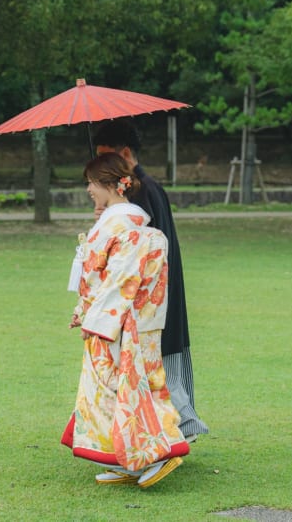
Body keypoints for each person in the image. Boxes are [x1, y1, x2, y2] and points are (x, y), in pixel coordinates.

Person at [61, 152, 189, 488]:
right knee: (115, 391)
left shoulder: (125, 227)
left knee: (131, 388)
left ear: (109, 184)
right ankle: (127, 459)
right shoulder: (122, 222)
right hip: (121, 320)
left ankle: (161, 451)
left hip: (120, 324)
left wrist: (98, 318)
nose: (88, 188)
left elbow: (121, 279)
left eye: (91, 182)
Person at [92, 119, 209, 440]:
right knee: (162, 366)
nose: (103, 167)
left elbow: (132, 252)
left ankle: (179, 428)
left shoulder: (139, 193)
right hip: (161, 291)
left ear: (126, 154)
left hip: (152, 297)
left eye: (107, 159)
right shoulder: (148, 189)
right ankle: (176, 429)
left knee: (158, 367)